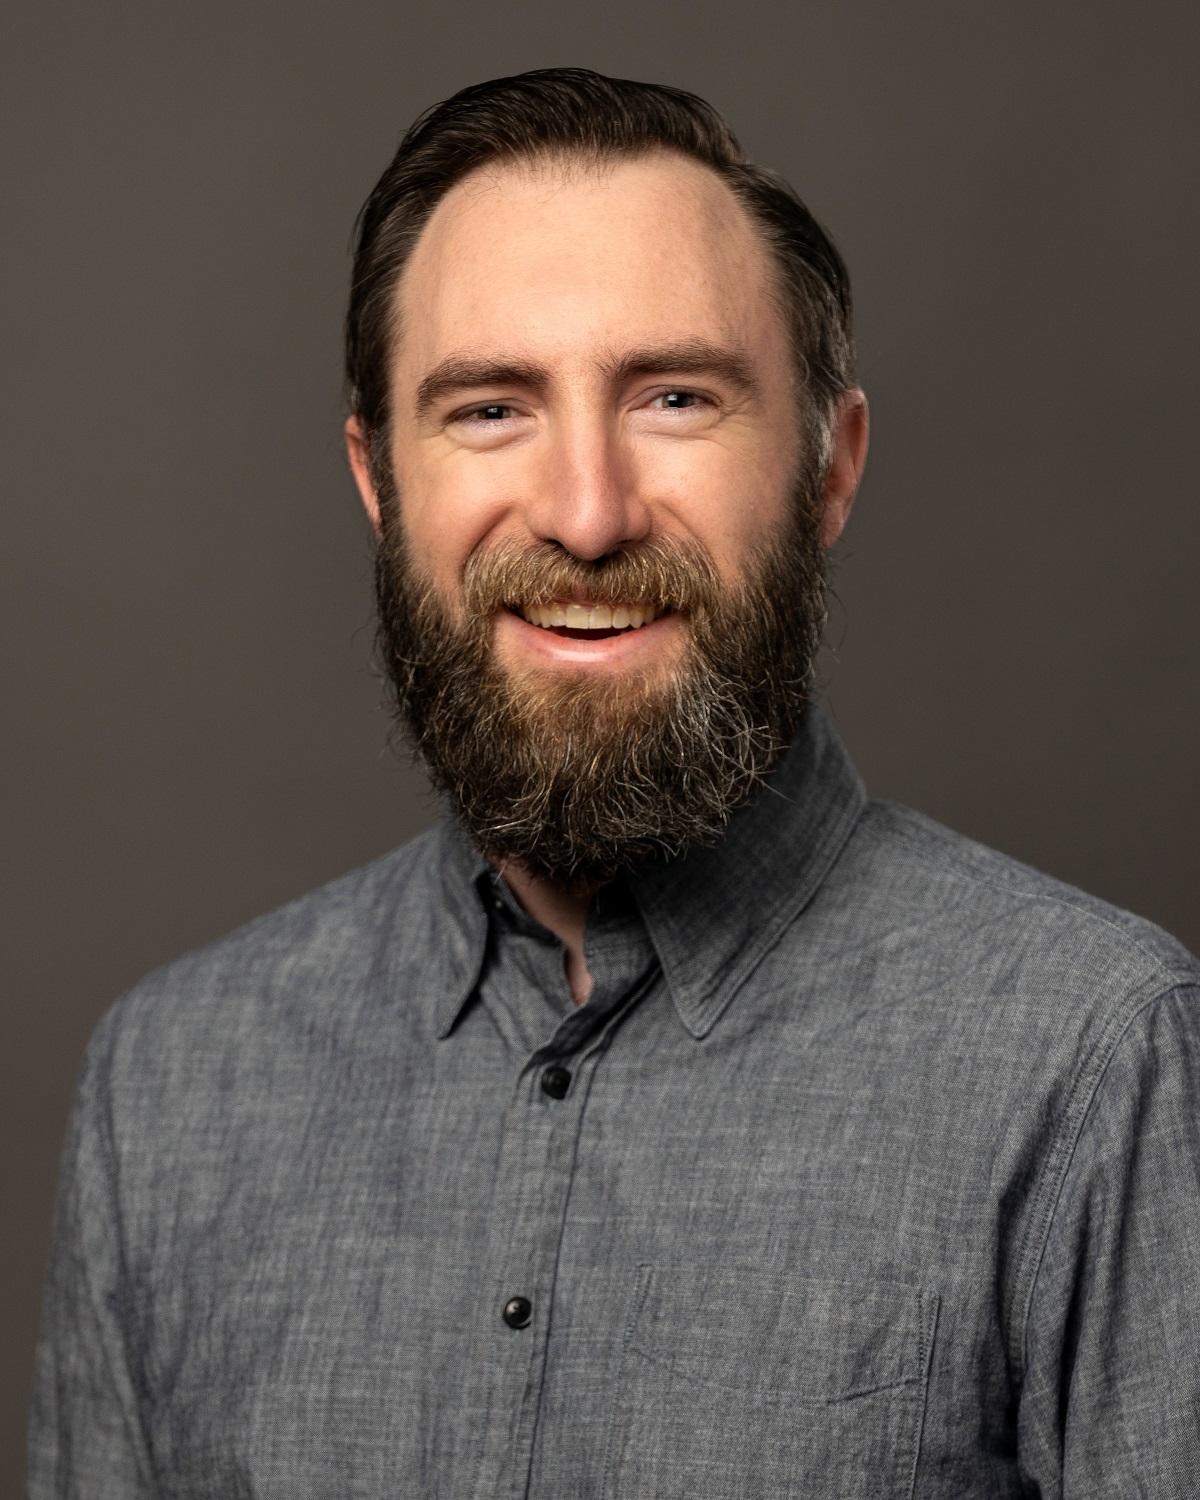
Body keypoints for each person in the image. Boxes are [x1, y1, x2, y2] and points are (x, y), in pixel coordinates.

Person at [29, 67, 1200, 1498]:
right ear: (380, 481)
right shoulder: (167, 1095)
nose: (587, 512)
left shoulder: (1093, 1059)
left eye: (676, 396)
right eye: (488, 411)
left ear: (829, 468)